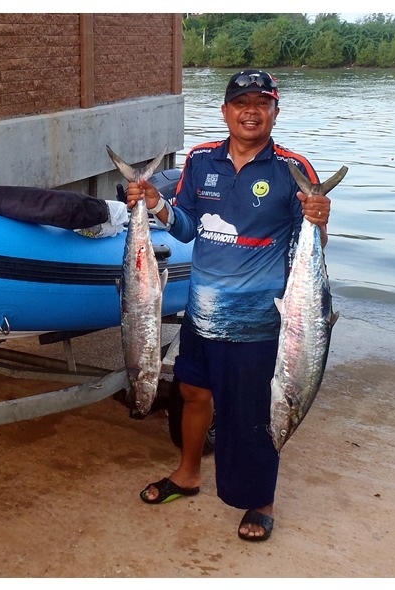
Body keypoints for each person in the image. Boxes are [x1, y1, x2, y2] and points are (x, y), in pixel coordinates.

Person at [125, 69, 333, 542]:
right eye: (242, 103)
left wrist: (319, 219)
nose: (251, 111)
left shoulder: (291, 167)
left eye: (262, 103)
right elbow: (184, 228)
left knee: (252, 411)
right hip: (201, 313)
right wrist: (156, 204)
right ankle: (188, 474)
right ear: (225, 111)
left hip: (260, 320)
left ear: (275, 111)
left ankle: (260, 501)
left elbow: (313, 245)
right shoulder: (200, 160)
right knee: (194, 395)